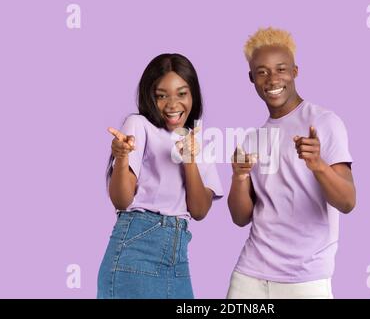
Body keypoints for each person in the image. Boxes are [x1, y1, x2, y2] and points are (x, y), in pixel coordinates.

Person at [227, 27, 356, 299]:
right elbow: (240, 218)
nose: (272, 78)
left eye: (281, 69)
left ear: (295, 72)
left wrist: (318, 165)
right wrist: (239, 178)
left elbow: (347, 202)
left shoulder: (324, 122)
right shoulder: (252, 139)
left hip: (306, 279)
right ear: (251, 78)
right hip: (250, 275)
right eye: (262, 71)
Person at [97, 53, 223, 299]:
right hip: (136, 252)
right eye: (161, 95)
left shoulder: (201, 142)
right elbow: (121, 201)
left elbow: (199, 211)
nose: (172, 104)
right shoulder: (139, 125)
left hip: (178, 261)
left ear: (193, 95)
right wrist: (122, 157)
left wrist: (189, 159)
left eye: (181, 93)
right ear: (149, 97)